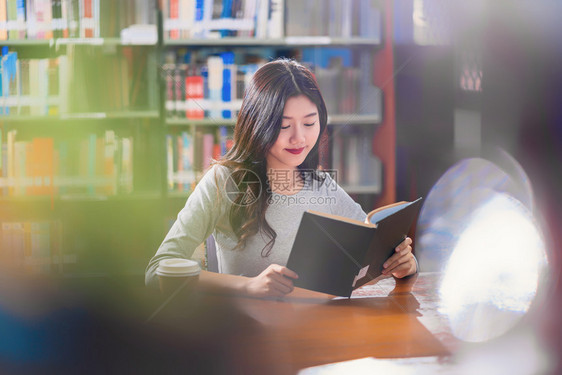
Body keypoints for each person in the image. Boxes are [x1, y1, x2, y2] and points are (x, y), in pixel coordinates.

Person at [145, 58, 417, 297]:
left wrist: (401, 264)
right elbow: (157, 270)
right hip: (246, 337)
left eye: (310, 123)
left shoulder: (320, 184)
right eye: (284, 126)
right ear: (258, 124)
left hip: (312, 332)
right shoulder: (224, 182)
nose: (299, 138)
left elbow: (366, 252)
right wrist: (247, 286)